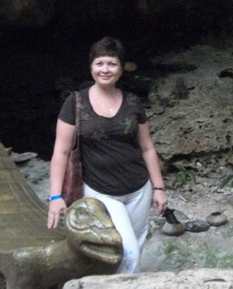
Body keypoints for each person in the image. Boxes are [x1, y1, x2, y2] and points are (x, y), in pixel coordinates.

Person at [46, 37, 167, 274]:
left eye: (112, 64)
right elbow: (60, 152)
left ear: (121, 69)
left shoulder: (132, 102)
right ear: (91, 67)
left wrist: (159, 188)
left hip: (138, 189)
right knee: (127, 250)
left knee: (136, 247)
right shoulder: (76, 103)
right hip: (102, 190)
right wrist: (55, 197)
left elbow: (147, 148)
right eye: (99, 63)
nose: (105, 70)